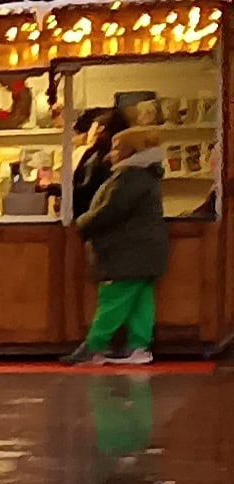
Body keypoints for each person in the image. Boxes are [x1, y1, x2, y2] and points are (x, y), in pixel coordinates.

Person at [73, 121, 171, 366]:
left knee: (113, 298)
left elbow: (109, 211)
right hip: (146, 252)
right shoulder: (146, 174)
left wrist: (82, 223)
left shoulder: (129, 177)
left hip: (126, 253)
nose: (111, 153)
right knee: (141, 301)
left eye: (117, 148)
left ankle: (94, 347)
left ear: (131, 152)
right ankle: (139, 346)